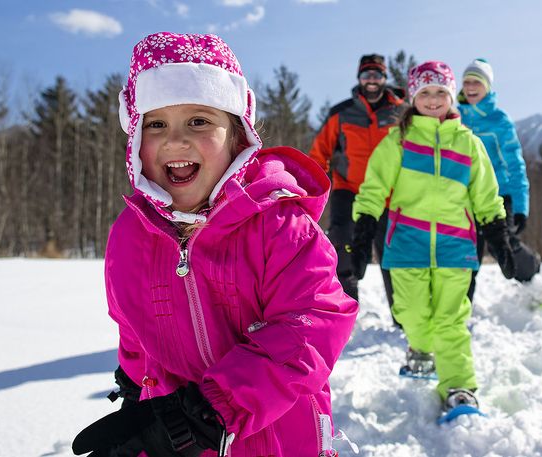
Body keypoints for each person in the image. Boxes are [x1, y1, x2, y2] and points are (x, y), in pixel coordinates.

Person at [72, 32, 358, 457]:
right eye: (156, 124)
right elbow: (134, 336)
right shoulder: (129, 238)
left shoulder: (279, 222)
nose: (175, 140)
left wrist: (210, 411)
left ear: (239, 137)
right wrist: (136, 397)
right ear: (135, 142)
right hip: (179, 444)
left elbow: (311, 324)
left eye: (199, 121)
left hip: (279, 440)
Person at [349, 61, 515, 413]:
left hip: (456, 247)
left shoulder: (469, 143)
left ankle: (459, 387)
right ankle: (420, 347)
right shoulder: (398, 141)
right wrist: (363, 231)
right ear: (413, 97)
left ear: (451, 95)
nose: (434, 99)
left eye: (440, 91)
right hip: (407, 243)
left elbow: (486, 195)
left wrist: (500, 238)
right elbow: (374, 189)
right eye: (425, 92)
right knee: (411, 313)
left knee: (451, 321)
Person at [308, 54, 406, 303]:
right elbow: (319, 154)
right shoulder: (341, 113)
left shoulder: (401, 111)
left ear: (384, 78)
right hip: (349, 188)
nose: (371, 80)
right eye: (366, 75)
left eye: (376, 75)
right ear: (359, 78)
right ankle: (346, 305)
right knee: (343, 243)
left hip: (389, 193)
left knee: (393, 252)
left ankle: (402, 316)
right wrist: (313, 190)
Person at [458, 58, 539, 296]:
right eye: (467, 82)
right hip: (466, 197)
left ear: (487, 86)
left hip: (499, 194)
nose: (471, 86)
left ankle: (533, 278)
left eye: (477, 82)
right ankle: (460, 309)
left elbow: (515, 164)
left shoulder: (499, 120)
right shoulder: (454, 117)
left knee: (504, 245)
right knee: (467, 253)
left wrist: (522, 206)